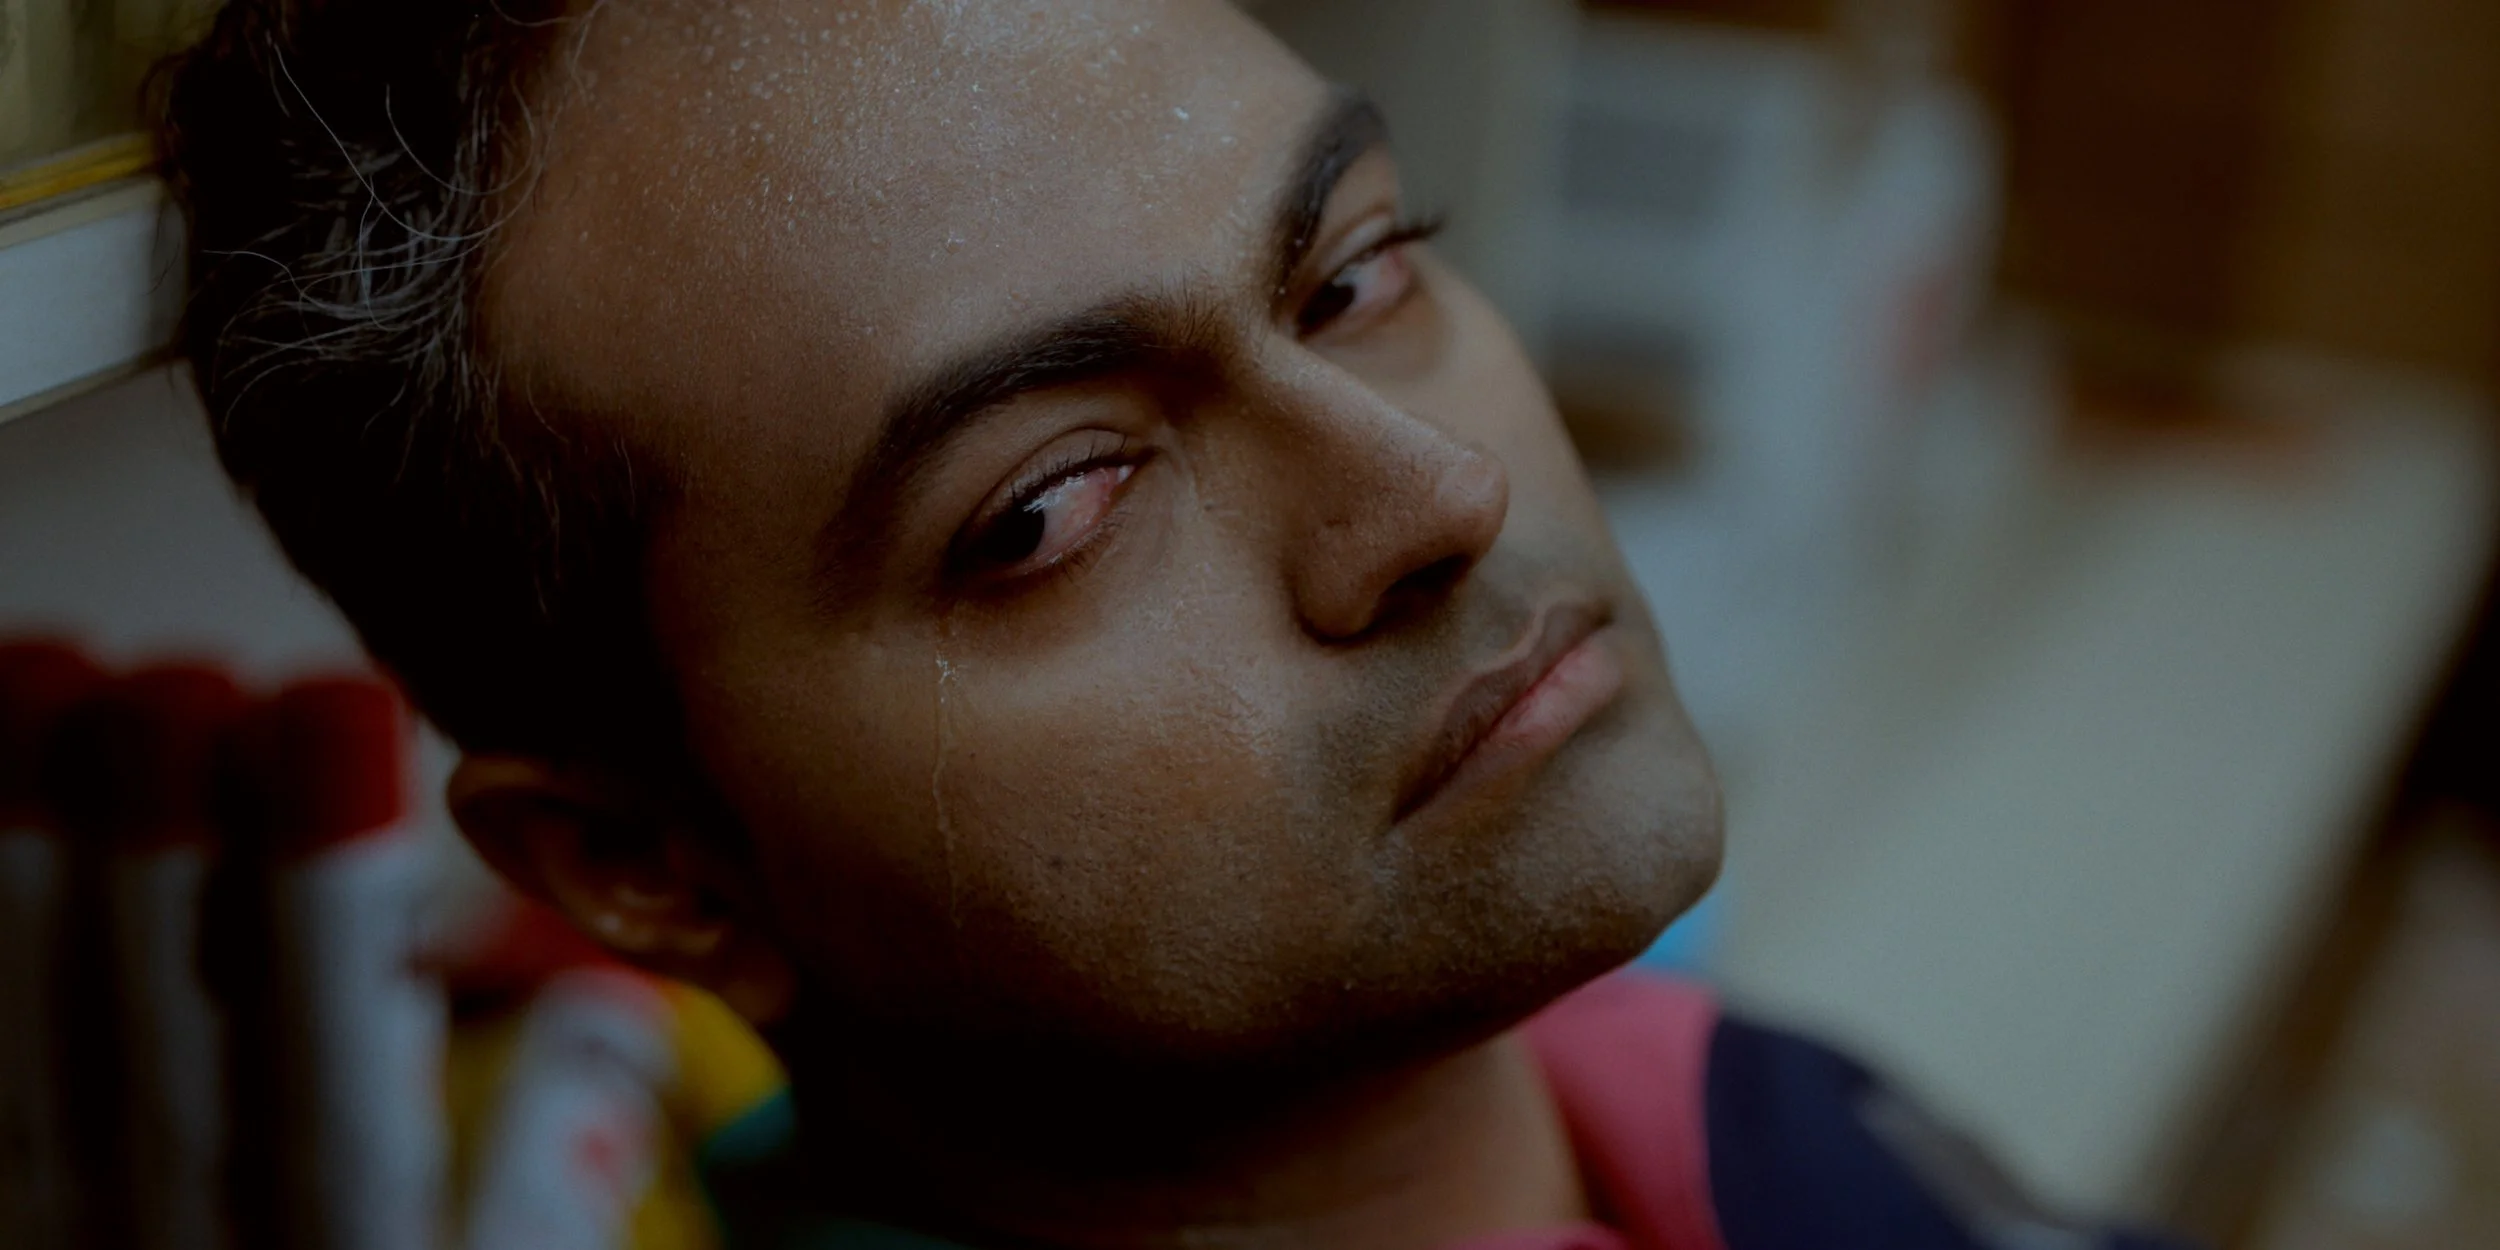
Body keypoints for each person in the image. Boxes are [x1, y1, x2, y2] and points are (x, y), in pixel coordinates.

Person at [158, 2, 2192, 1247]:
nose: (1430, 491)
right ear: (651, 868)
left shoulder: (1692, 1097)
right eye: (1045, 508)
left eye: (1352, 270)